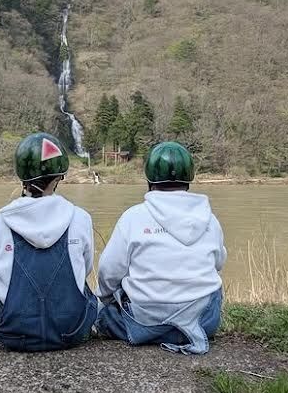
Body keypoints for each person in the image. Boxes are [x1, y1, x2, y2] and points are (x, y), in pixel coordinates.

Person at [96, 141, 226, 354]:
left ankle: (145, 329)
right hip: (204, 322)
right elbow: (219, 263)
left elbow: (108, 270)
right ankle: (186, 330)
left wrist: (105, 299)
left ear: (149, 177)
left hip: (143, 322)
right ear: (189, 176)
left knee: (105, 311)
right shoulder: (210, 220)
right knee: (214, 285)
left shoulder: (133, 217)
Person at [0, 132, 98, 351]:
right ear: (58, 177)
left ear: (21, 174)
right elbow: (87, 267)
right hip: (71, 331)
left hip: (13, 333)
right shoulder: (80, 218)